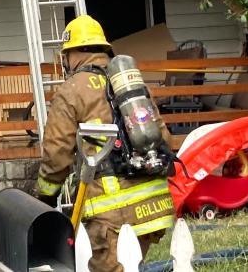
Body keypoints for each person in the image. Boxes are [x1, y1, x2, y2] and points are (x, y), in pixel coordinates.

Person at [35, 16, 175, 272]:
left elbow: (56, 155)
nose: (65, 61)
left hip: (113, 212)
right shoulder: (128, 82)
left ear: (75, 52)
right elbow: (163, 137)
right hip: (155, 203)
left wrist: (44, 197)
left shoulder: (72, 89)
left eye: (66, 54)